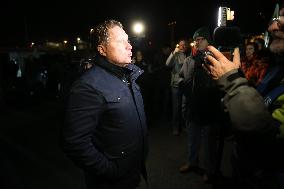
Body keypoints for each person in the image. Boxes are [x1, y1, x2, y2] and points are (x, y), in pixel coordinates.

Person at [61, 19, 148, 189]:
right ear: (102, 49)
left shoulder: (128, 77)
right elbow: (74, 142)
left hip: (135, 172)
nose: (129, 46)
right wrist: (111, 171)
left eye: (128, 40)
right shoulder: (88, 86)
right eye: (121, 41)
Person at [204, 3, 284, 188]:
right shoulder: (277, 70)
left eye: (281, 20)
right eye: (274, 21)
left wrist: (231, 81)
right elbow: (258, 102)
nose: (271, 27)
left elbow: (265, 132)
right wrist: (236, 77)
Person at [178, 27, 220, 183]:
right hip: (192, 107)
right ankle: (191, 162)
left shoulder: (216, 58)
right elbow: (181, 79)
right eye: (195, 39)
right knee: (192, 138)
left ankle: (210, 170)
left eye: (201, 38)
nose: (197, 41)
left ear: (209, 41)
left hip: (209, 107)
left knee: (209, 143)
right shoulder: (190, 59)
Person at [166, 39, 187, 135]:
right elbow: (167, 64)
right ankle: (175, 127)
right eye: (181, 45)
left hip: (185, 85)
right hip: (176, 85)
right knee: (176, 108)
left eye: (184, 45)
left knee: (184, 107)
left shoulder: (188, 55)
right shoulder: (175, 55)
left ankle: (182, 126)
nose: (182, 47)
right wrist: (174, 52)